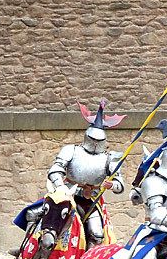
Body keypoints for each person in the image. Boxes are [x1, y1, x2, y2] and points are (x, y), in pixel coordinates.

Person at [47, 100, 125, 249]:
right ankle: (28, 251)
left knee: (96, 234)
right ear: (87, 136)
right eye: (93, 139)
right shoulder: (72, 150)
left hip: (91, 199)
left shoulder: (109, 158)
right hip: (65, 196)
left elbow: (120, 184)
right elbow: (55, 169)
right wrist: (60, 187)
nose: (95, 143)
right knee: (37, 216)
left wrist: (112, 184)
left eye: (99, 141)